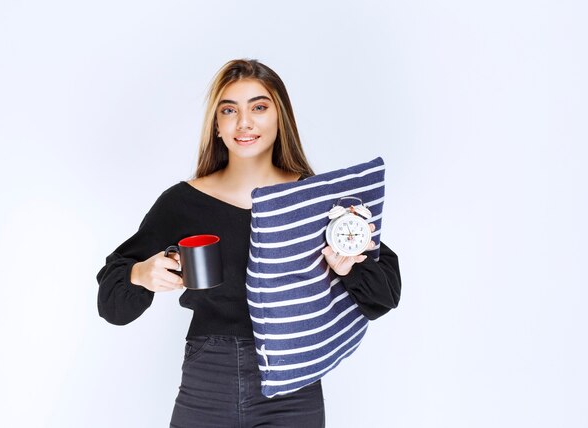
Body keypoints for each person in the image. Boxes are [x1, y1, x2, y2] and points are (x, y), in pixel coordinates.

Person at [96, 59, 401, 428]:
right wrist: (140, 274)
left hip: (294, 385)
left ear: (280, 118)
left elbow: (383, 297)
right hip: (208, 376)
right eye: (229, 110)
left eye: (259, 107)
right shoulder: (182, 202)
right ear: (217, 126)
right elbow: (113, 306)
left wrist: (349, 268)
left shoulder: (316, 201)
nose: (244, 122)